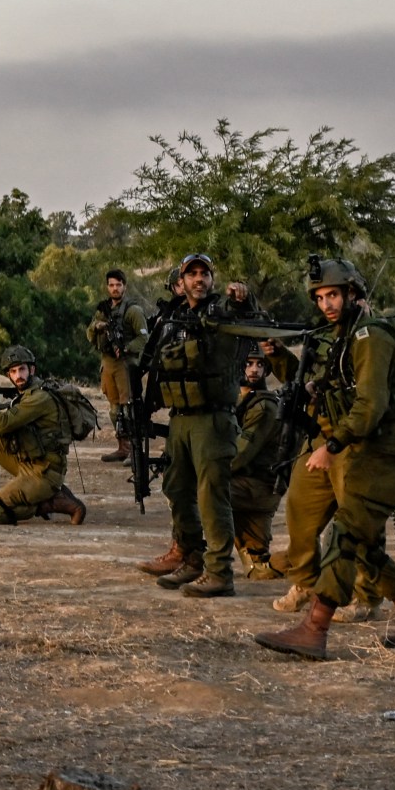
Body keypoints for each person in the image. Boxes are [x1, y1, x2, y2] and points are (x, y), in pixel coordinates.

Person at [254, 258, 395, 658]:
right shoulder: (336, 337)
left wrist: (333, 445)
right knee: (359, 543)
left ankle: (314, 627)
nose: (327, 304)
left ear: (353, 294)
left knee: (345, 535)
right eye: (321, 297)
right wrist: (280, 358)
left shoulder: (370, 337)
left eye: (334, 295)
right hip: (341, 444)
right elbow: (318, 383)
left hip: (376, 452)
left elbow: (370, 404)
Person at [138, 253, 242, 596]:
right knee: (177, 490)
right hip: (180, 419)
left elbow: (252, 315)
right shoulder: (175, 317)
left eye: (204, 274)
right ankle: (191, 557)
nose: (199, 279)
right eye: (191, 274)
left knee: (212, 498)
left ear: (212, 279)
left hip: (212, 419)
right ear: (180, 282)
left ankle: (220, 572)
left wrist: (244, 294)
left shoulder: (223, 311)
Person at [0, 346, 87, 525]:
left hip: (44, 472)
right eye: (12, 372)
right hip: (28, 460)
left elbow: (3, 423)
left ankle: (54, 502)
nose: (18, 376)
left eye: (22, 369)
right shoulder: (26, 393)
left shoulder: (39, 398)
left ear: (32, 369)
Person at [229, 349, 288, 579]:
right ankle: (307, 559)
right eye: (248, 363)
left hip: (258, 486)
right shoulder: (239, 400)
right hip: (251, 484)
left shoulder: (264, 406)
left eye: (260, 365)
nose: (254, 370)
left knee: (203, 492)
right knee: (258, 569)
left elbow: (240, 455)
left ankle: (201, 559)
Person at [89, 269, 147, 462]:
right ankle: (123, 447)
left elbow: (144, 339)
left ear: (125, 286)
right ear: (107, 287)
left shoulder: (133, 310)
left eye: (118, 285)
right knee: (115, 411)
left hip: (126, 363)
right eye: (111, 285)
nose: (115, 289)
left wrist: (126, 348)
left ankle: (135, 450)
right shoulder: (103, 310)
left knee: (129, 408)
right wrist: (97, 327)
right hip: (108, 362)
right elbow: (89, 335)